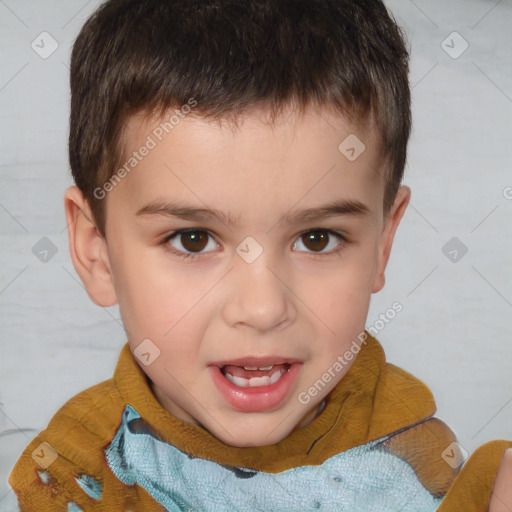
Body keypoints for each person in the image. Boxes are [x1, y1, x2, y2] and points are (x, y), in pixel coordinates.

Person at [8, 0, 512, 510]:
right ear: (97, 253)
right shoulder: (76, 477)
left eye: (317, 238)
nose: (263, 308)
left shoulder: (421, 456)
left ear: (383, 242)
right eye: (193, 240)